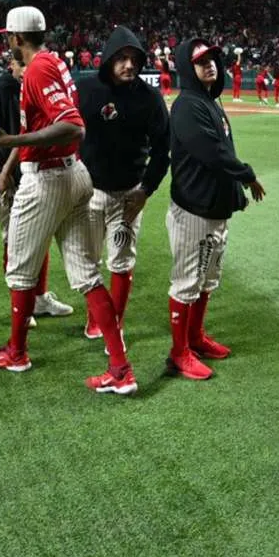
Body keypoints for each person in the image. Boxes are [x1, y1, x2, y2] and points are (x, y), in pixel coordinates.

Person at [0, 6, 136, 396]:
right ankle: (120, 369)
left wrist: (9, 143)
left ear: (16, 38)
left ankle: (16, 352)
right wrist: (9, 163)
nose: (6, 43)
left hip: (48, 178)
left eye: (7, 37)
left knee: (19, 271)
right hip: (75, 175)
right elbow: (44, 122)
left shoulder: (37, 69)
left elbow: (72, 125)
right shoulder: (56, 62)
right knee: (86, 273)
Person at [166, 39, 265, 380]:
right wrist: (247, 175)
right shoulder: (187, 106)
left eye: (212, 60)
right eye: (201, 62)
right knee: (187, 282)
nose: (210, 65)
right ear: (187, 69)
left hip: (214, 208)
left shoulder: (208, 101)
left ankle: (194, 337)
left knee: (207, 279)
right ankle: (179, 353)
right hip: (194, 208)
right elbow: (211, 152)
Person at [78, 26, 170, 341]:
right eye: (121, 58)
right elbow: (67, 133)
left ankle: (114, 324)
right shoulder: (86, 90)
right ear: (108, 60)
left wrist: (146, 190)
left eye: (134, 59)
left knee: (121, 259)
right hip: (89, 192)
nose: (129, 65)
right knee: (88, 260)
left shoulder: (150, 98)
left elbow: (162, 151)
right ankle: (96, 317)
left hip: (129, 196)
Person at [0, 53, 73, 323]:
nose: (29, 71)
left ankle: (39, 299)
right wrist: (1, 173)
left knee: (39, 239)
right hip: (9, 180)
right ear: (13, 66)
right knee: (14, 242)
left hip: (33, 176)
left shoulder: (32, 87)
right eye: (24, 66)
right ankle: (19, 305)